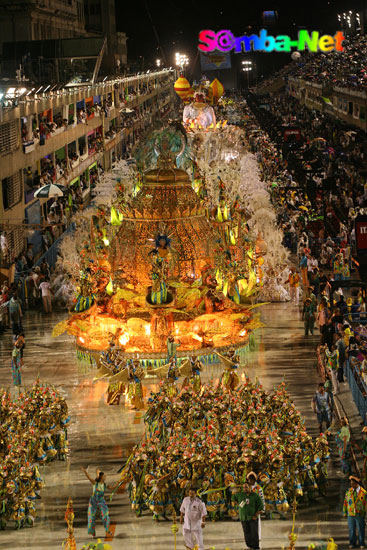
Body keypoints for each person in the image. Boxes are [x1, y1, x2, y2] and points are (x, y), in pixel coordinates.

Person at [81, 467, 114, 538]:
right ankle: (92, 532)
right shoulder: (95, 483)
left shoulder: (105, 485)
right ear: (100, 476)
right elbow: (89, 478)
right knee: (91, 516)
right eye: (104, 476)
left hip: (101, 500)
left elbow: (113, 488)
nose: (105, 477)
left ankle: (107, 529)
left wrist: (120, 483)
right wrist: (85, 472)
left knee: (105, 514)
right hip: (93, 501)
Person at [232, 480, 263, 550]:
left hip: (252, 518)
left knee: (254, 533)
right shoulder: (240, 494)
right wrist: (238, 505)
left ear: (250, 487)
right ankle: (249, 546)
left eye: (246, 487)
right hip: (243, 518)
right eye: (243, 487)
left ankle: (255, 547)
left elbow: (261, 507)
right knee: (246, 533)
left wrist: (255, 515)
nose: (245, 489)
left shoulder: (255, 496)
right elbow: (233, 497)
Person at [343, 475, 367, 548]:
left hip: (360, 514)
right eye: (351, 482)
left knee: (361, 529)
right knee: (351, 530)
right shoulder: (348, 491)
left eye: (353, 483)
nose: (351, 484)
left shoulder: (364, 493)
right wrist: (344, 512)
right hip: (351, 514)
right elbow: (345, 502)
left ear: (357, 484)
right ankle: (352, 543)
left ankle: (361, 543)